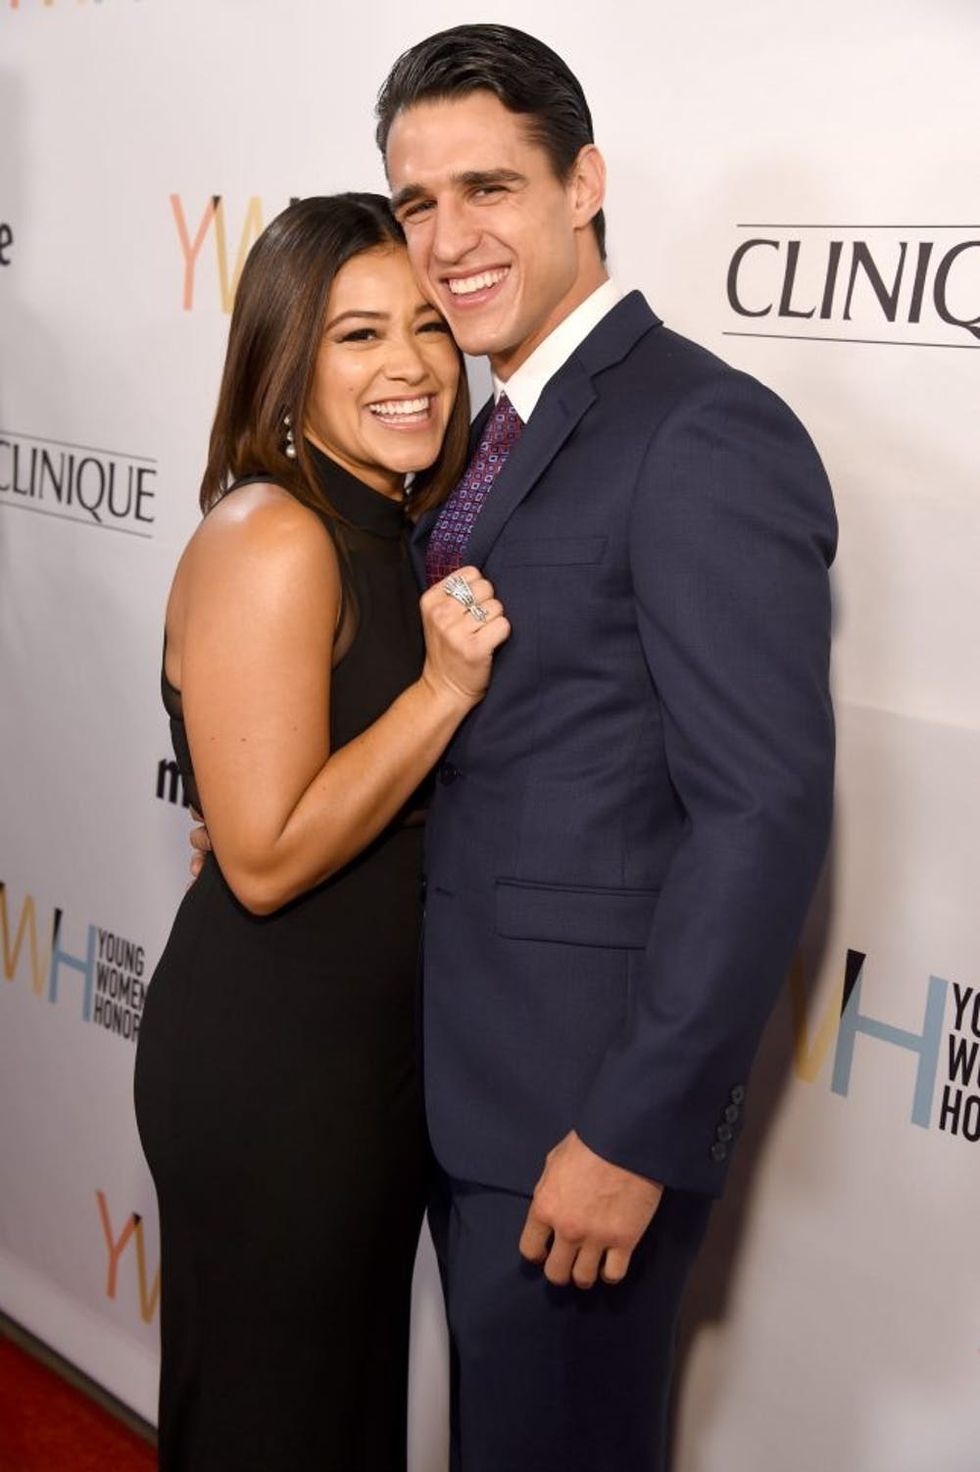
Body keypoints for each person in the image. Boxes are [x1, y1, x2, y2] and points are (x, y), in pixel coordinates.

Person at [373, 24, 838, 1472]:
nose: (448, 241)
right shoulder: (483, 424)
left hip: (584, 1119)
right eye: (415, 204)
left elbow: (758, 810)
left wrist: (632, 1131)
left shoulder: (701, 430)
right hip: (466, 1091)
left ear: (584, 184)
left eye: (488, 189)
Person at [134, 192, 509, 1472]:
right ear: (283, 362)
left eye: (424, 324)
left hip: (368, 1063)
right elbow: (264, 853)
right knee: (272, 1425)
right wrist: (441, 694)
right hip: (277, 1075)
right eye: (357, 336)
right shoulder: (273, 535)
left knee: (339, 1421)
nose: (409, 364)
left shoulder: (389, 527)